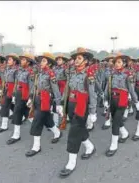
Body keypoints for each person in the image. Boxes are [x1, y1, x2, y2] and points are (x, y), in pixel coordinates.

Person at [59, 48, 96, 178]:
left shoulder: (89, 75)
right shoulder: (72, 73)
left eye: (79, 58)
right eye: (75, 58)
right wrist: (61, 103)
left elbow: (92, 94)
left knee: (74, 132)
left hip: (82, 104)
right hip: (71, 102)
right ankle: (90, 146)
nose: (76, 60)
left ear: (85, 61)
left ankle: (71, 162)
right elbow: (67, 89)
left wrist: (92, 112)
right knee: (79, 128)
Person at [25, 52, 63, 156]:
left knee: (37, 121)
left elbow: (56, 90)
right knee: (47, 119)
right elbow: (35, 86)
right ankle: (57, 132)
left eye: (44, 61)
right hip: (37, 98)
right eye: (41, 60)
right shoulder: (39, 73)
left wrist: (59, 104)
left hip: (45, 100)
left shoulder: (51, 74)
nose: (41, 62)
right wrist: (30, 97)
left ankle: (36, 147)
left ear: (49, 64)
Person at [103, 53, 139, 157]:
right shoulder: (111, 74)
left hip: (122, 100)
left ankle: (113, 145)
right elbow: (107, 88)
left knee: (115, 122)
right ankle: (125, 133)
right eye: (115, 62)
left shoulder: (128, 75)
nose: (116, 64)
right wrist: (105, 100)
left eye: (119, 62)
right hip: (112, 100)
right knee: (116, 119)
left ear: (124, 63)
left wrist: (136, 101)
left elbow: (131, 90)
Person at [0, 53, 19, 133]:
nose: (8, 61)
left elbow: (17, 82)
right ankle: (4, 126)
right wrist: (2, 89)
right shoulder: (7, 69)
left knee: (17, 107)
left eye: (10, 59)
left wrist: (14, 93)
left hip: (13, 90)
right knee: (5, 106)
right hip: (6, 89)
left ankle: (24, 117)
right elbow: (4, 80)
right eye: (7, 59)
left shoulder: (16, 70)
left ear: (14, 61)